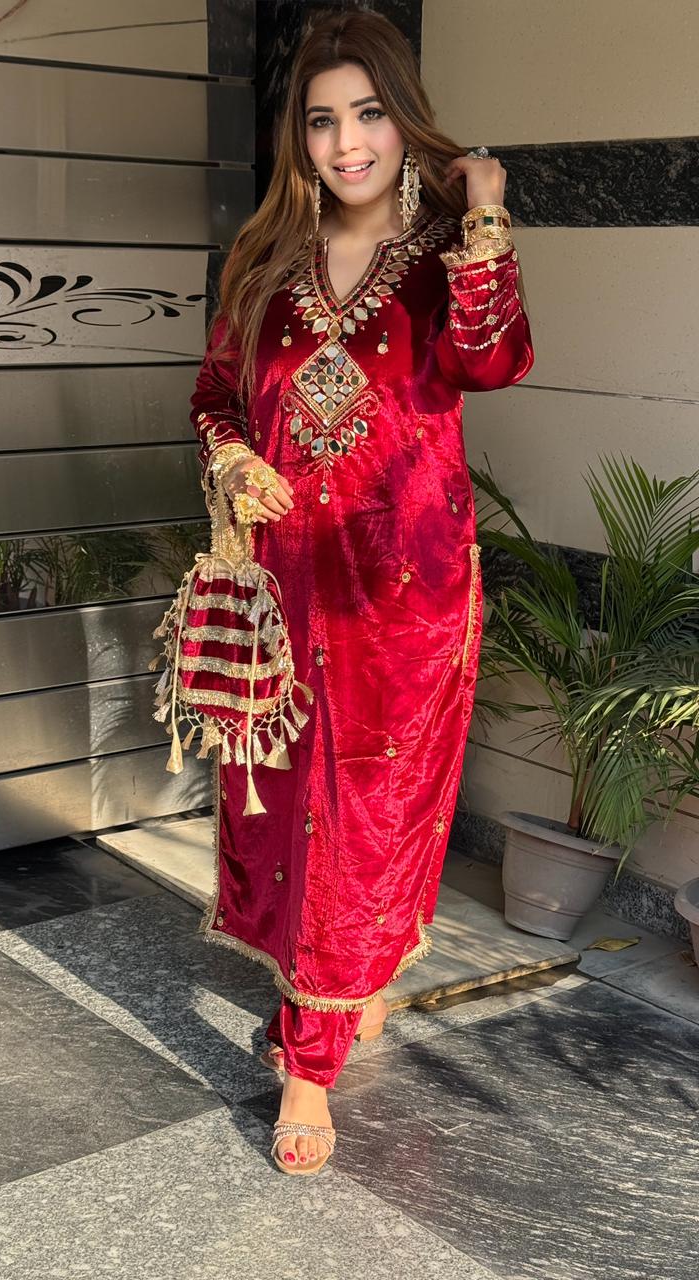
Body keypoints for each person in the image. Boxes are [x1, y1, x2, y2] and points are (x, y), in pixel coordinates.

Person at [188, 8, 534, 1175]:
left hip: (405, 598)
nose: (347, 143)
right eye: (322, 120)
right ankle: (341, 983)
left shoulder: (447, 257)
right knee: (287, 814)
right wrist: (236, 457)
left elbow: (493, 359)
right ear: (299, 136)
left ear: (404, 119)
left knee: (367, 818)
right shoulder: (264, 264)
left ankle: (309, 1062)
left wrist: (485, 212)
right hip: (284, 596)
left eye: (370, 114)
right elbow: (215, 397)